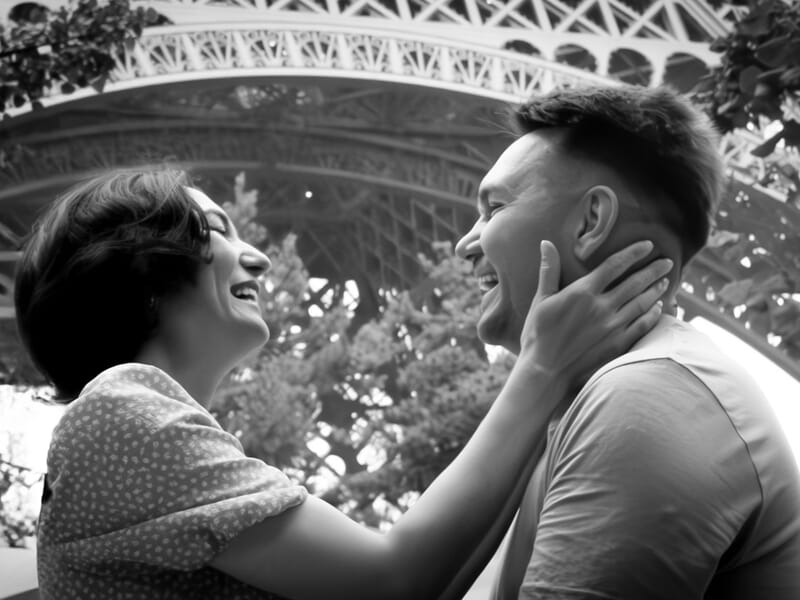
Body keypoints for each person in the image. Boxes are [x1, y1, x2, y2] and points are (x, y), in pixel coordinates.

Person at [14, 168, 672, 599]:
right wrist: (542, 369)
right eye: (216, 230)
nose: (259, 257)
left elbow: (428, 584)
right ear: (140, 272)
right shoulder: (119, 413)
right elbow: (390, 584)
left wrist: (553, 381)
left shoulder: (145, 435)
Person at [455, 84, 800, 600]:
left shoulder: (645, 395)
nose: (465, 244)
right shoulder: (603, 397)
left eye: (494, 208)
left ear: (591, 221)